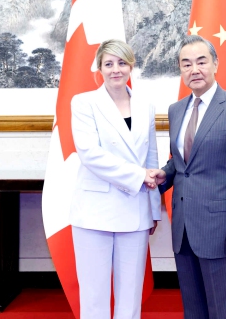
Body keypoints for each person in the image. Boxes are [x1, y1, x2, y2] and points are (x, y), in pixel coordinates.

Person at [154, 35, 226, 319]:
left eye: (201, 61)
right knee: (194, 310)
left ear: (215, 64)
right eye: (186, 64)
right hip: (184, 227)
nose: (194, 69)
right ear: (180, 70)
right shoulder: (176, 111)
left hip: (221, 230)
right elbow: (182, 162)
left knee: (223, 310)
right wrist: (164, 173)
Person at [69, 39, 161, 319]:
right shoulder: (84, 102)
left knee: (130, 297)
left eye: (122, 62)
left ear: (131, 65)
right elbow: (89, 154)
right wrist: (137, 176)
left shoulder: (145, 105)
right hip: (94, 213)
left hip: (135, 210)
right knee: (94, 298)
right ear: (99, 68)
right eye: (108, 64)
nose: (115, 69)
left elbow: (152, 159)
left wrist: (154, 208)